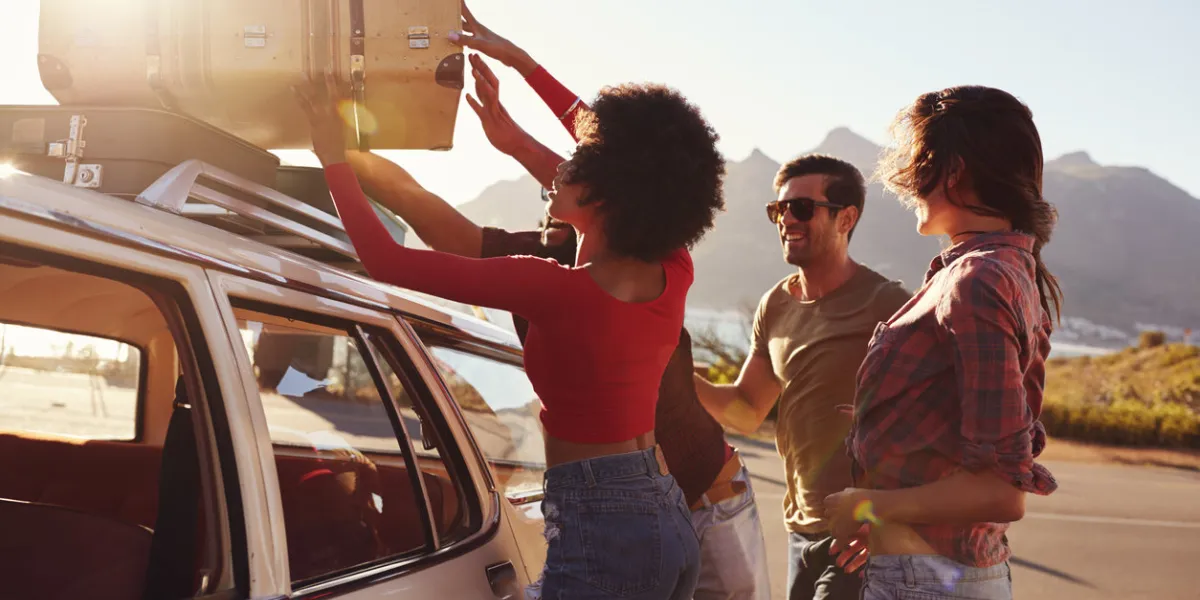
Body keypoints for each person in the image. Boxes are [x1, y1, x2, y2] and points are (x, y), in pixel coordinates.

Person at [344, 7, 773, 598]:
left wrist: (330, 155)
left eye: (574, 165)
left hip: (611, 518)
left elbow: (386, 262)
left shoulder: (552, 287)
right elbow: (620, 161)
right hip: (664, 505)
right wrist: (516, 66)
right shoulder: (674, 267)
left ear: (600, 193)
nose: (554, 167)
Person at [822, 85, 1062, 600]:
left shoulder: (977, 280)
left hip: (926, 584)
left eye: (919, 161)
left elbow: (1001, 492)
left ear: (952, 170)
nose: (909, 181)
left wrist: (867, 504)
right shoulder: (999, 270)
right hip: (924, 573)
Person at [692, 154, 912, 600]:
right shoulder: (775, 305)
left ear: (846, 218)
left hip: (863, 538)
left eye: (803, 208)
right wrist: (670, 370)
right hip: (802, 529)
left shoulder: (888, 304)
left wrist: (881, 521)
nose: (786, 219)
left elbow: (927, 425)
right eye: (779, 210)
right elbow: (748, 410)